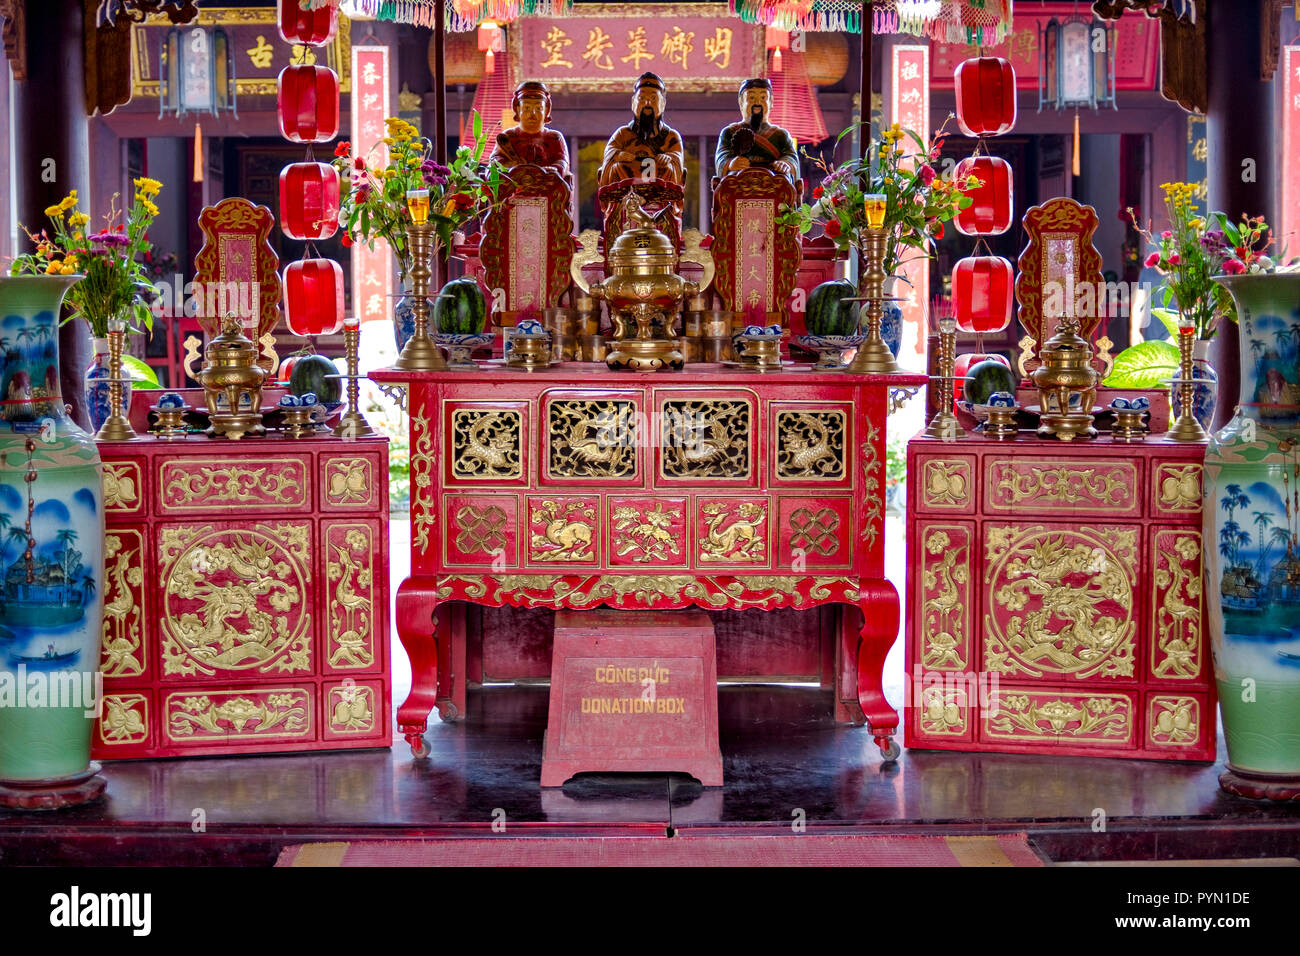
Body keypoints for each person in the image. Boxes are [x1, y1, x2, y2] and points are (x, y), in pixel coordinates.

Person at [598, 73, 685, 188]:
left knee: (668, 168)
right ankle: (625, 202)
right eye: (642, 98)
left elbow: (676, 159)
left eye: (653, 99)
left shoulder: (671, 136)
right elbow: (610, 153)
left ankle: (659, 203)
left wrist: (668, 157)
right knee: (617, 166)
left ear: (663, 104)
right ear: (633, 102)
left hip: (659, 194)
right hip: (626, 193)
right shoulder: (622, 133)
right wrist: (619, 155)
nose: (647, 103)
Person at [714, 78, 800, 185]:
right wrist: (731, 163)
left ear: (771, 102)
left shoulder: (781, 134)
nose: (757, 102)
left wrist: (785, 163)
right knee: (730, 181)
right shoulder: (729, 132)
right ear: (741, 102)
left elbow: (791, 156)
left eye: (763, 97)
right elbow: (722, 155)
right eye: (751, 97)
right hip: (740, 179)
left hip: (773, 180)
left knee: (784, 181)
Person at [489, 81, 570, 181]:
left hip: (545, 185)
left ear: (546, 110)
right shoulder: (508, 137)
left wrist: (554, 170)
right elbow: (494, 161)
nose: (533, 113)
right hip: (513, 186)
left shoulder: (554, 138)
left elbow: (562, 161)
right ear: (518, 109)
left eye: (539, 108)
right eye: (527, 108)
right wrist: (509, 165)